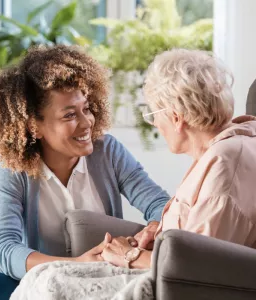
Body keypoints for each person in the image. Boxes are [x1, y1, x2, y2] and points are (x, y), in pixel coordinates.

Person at [0, 45, 170, 300]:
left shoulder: (107, 152)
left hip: (100, 280)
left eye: (86, 108)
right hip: (38, 282)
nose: (87, 122)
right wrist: (75, 264)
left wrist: (152, 229)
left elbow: (160, 205)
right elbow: (2, 249)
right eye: (69, 115)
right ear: (34, 126)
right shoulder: (12, 167)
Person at [100, 48, 256, 269]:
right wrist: (163, 233)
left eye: (153, 114)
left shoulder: (224, 162)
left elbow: (199, 267)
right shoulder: (236, 140)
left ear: (176, 118)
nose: (154, 123)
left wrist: (130, 255)